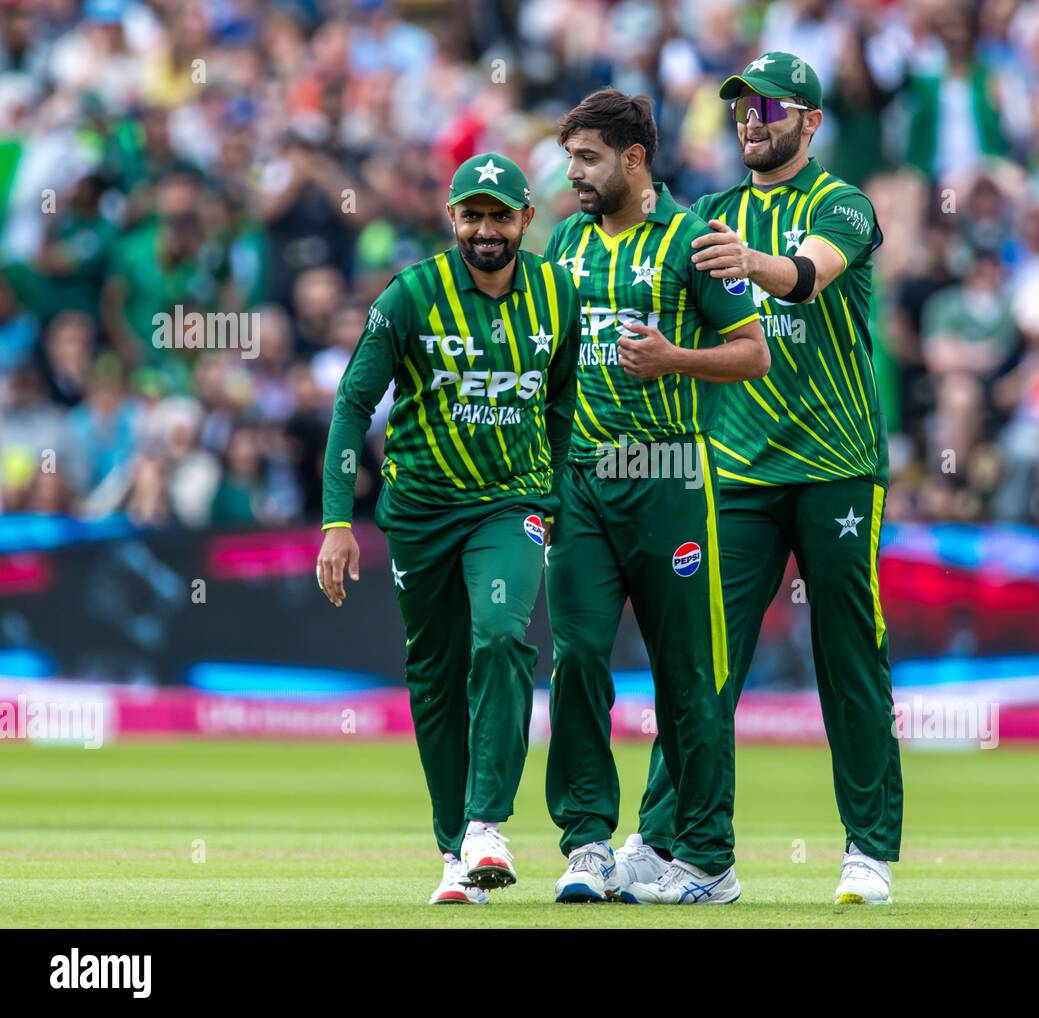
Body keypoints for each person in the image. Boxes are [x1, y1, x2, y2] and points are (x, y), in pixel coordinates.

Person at [637, 51, 903, 905]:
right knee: (699, 663)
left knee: (847, 655)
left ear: (811, 122)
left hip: (835, 467)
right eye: (741, 107)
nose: (752, 118)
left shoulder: (843, 205)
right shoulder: (709, 212)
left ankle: (867, 850)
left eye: (770, 107)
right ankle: (662, 838)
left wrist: (747, 262)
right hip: (735, 470)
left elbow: (808, 277)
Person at [315, 153, 578, 905]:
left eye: (500, 216)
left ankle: (487, 825)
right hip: (421, 511)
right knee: (434, 680)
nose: (485, 230)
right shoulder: (411, 296)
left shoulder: (559, 293)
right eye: (473, 215)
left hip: (510, 504)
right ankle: (453, 851)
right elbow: (350, 407)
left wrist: (550, 500)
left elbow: (561, 404)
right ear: (452, 219)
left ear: (527, 220)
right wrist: (338, 521)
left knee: (500, 634)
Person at [543, 88, 769, 905]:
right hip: (583, 485)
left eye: (587, 159)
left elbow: (752, 356)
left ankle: (708, 860)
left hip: (669, 477)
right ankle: (587, 843)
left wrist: (675, 359)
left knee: (687, 674)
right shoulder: (565, 241)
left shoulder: (697, 241)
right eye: (570, 158)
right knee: (575, 660)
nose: (573, 174)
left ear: (634, 160)